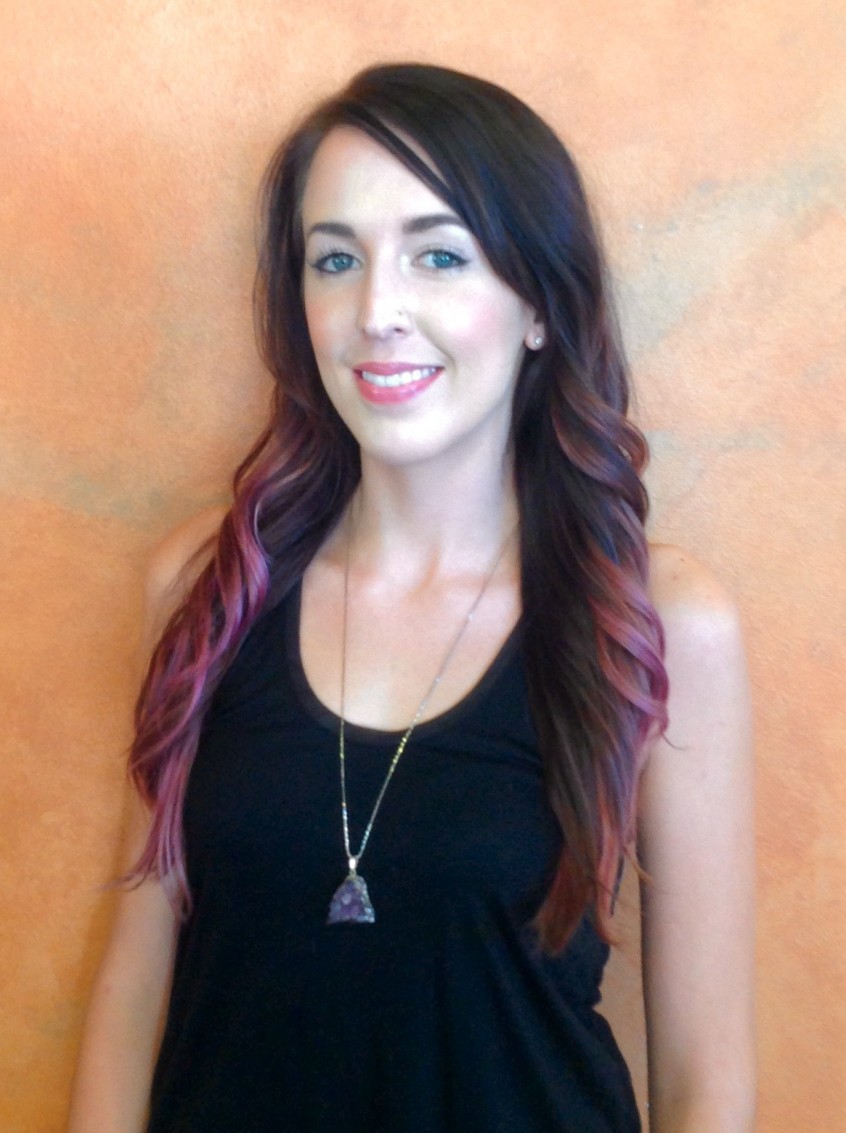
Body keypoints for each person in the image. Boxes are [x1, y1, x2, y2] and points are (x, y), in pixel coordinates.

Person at [67, 63, 755, 1132]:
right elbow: (133, 982)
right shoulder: (206, 586)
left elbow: (707, 1076)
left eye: (438, 255)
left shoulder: (658, 619)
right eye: (335, 259)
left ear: (539, 304)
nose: (375, 312)